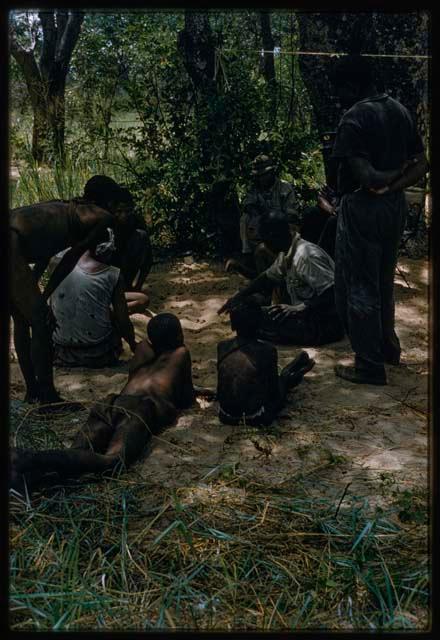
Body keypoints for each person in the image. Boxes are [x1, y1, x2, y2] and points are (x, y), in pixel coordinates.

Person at [10, 313, 214, 495]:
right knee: (113, 462)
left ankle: (27, 476)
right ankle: (28, 459)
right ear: (179, 336)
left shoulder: (143, 349)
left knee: (79, 452)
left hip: (113, 402)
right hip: (141, 408)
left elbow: (146, 373)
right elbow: (185, 399)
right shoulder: (181, 353)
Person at [330, 55, 428, 385]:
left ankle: (369, 364)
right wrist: (397, 182)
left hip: (362, 207)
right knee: (384, 281)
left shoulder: (354, 118)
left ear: (352, 85)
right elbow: (421, 164)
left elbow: (368, 178)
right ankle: (388, 346)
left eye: (340, 89)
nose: (338, 97)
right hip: (393, 207)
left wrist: (386, 181)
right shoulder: (398, 110)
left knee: (359, 286)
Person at [10, 179, 131, 408]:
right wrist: (44, 298)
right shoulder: (102, 217)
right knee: (41, 321)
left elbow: (44, 250)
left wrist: (35, 288)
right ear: (110, 202)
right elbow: (70, 258)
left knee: (21, 318)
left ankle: (33, 393)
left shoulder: (69, 208)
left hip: (13, 243)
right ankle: (47, 398)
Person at [219, 211, 344, 346]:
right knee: (242, 311)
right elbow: (266, 278)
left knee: (251, 320)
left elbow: (334, 292)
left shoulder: (306, 256)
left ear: (273, 238)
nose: (264, 246)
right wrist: (239, 296)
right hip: (304, 317)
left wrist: (299, 308)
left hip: (324, 323)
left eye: (265, 241)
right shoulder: (286, 252)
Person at [48, 228, 145, 368]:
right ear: (104, 249)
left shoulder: (54, 264)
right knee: (117, 317)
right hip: (99, 354)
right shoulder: (112, 274)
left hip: (61, 352)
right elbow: (123, 321)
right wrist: (133, 345)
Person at [217, 298, 315, 426]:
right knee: (284, 382)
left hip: (225, 415)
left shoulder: (222, 346)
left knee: (280, 379)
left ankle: (291, 370)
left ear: (232, 325)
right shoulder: (267, 351)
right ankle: (291, 372)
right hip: (258, 416)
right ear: (260, 324)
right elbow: (273, 393)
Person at [226, 154, 299, 278]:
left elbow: (291, 215)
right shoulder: (255, 188)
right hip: (264, 224)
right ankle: (248, 255)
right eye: (259, 176)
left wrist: (273, 219)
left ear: (272, 172)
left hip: (282, 226)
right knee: (245, 218)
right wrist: (261, 217)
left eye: (265, 174)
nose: (262, 178)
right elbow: (248, 205)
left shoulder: (284, 187)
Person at [83, 177, 153, 291]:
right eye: (119, 211)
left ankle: (125, 287)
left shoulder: (136, 222)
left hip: (124, 269)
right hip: (103, 274)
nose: (124, 216)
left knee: (141, 237)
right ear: (112, 208)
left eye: (128, 211)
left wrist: (138, 286)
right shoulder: (104, 221)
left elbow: (148, 260)